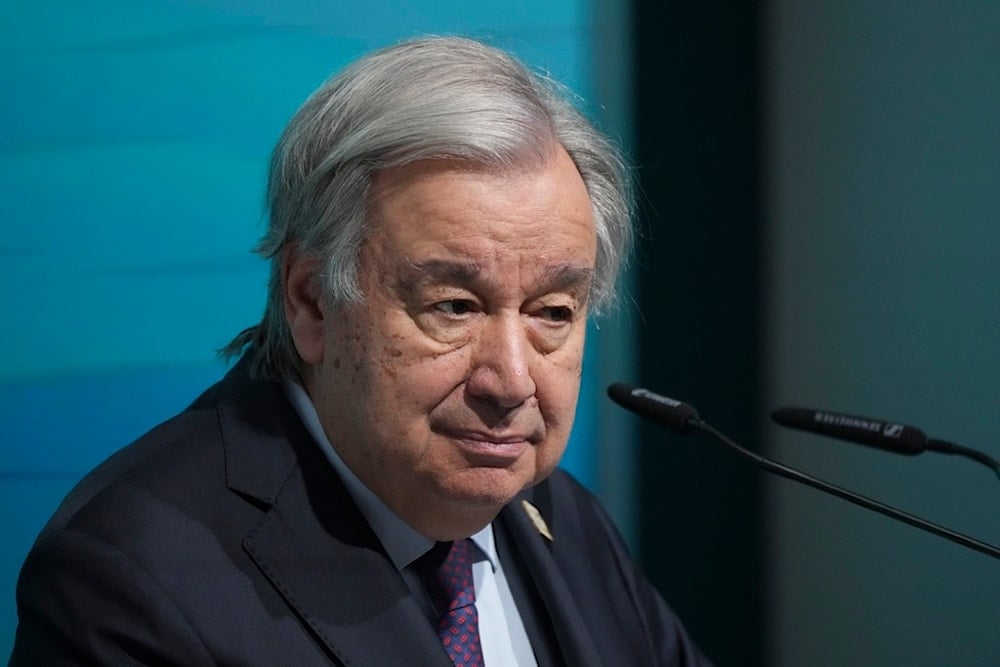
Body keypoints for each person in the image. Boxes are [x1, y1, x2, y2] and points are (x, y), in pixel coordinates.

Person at [10, 36, 712, 666]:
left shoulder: (561, 517)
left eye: (552, 312)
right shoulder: (132, 579)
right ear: (312, 300)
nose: (512, 380)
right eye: (455, 306)